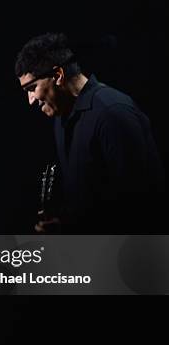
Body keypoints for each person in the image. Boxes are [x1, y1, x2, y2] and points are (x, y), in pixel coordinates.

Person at [15, 32, 165, 233]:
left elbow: (140, 207)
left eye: (32, 88)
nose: (31, 100)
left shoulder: (112, 113)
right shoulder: (61, 118)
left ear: (58, 75)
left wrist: (72, 229)